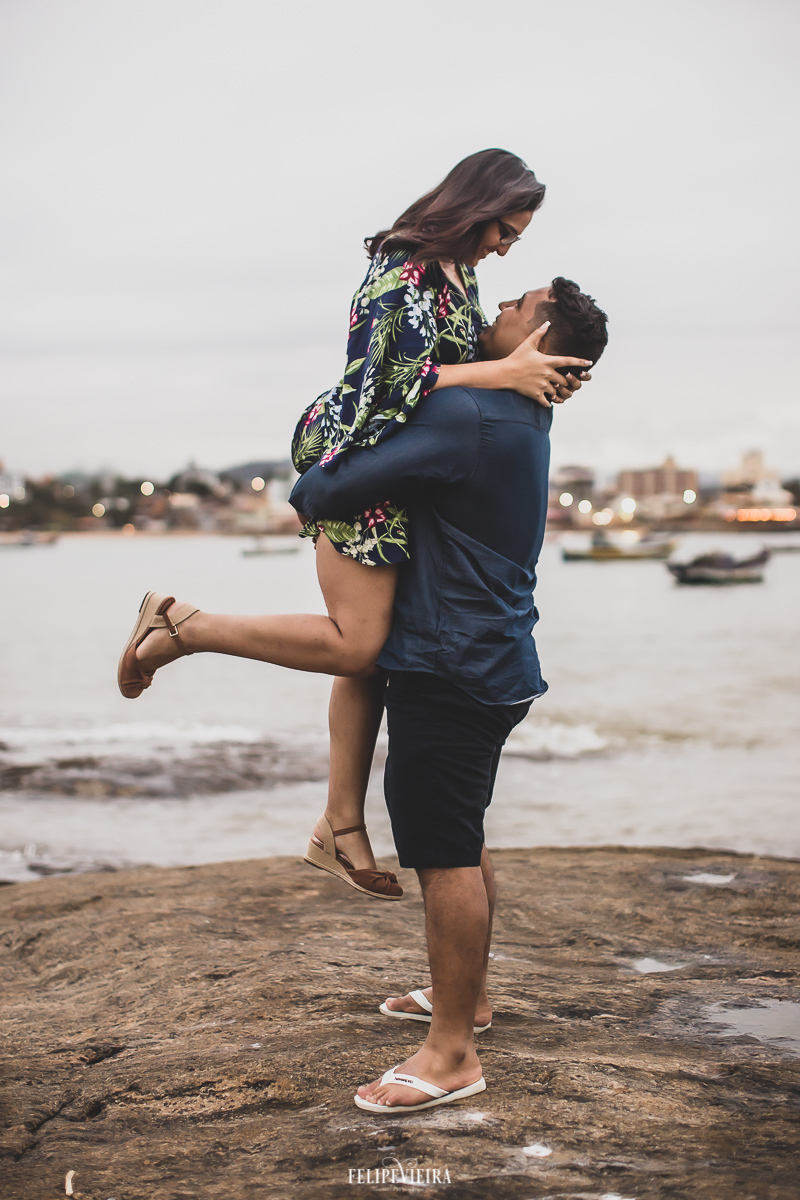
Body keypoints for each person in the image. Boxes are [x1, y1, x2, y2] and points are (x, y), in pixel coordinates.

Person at [117, 149, 592, 900]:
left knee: (377, 658)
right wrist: (500, 374)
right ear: (476, 207)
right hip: (356, 456)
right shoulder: (400, 272)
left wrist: (544, 372)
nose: (505, 249)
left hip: (403, 467)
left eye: (515, 239)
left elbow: (458, 371)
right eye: (504, 231)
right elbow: (377, 387)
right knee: (359, 643)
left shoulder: (460, 276)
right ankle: (183, 625)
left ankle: (339, 824)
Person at [287, 284, 609, 1112]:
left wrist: (323, 463)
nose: (496, 305)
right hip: (489, 657)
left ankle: (452, 1053)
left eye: (517, 304)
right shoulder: (521, 414)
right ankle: (470, 999)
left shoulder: (473, 413)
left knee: (443, 853)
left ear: (536, 335)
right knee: (459, 831)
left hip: (452, 663)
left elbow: (323, 492)